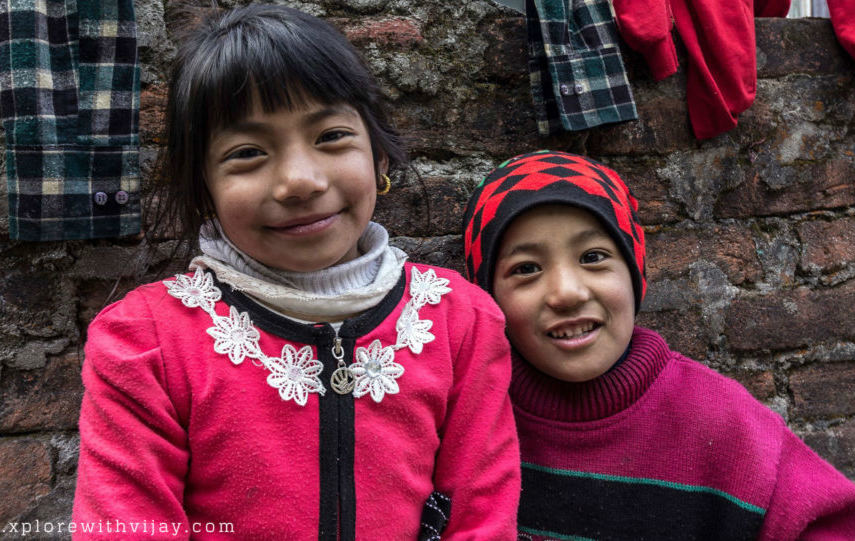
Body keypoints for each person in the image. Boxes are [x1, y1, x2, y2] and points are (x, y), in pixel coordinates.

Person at [72, 5, 520, 539]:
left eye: (330, 136)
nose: (299, 181)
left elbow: (481, 517)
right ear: (204, 187)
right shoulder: (145, 344)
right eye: (247, 152)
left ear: (379, 158)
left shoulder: (460, 320)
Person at [461, 150, 855, 540]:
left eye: (593, 257)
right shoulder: (470, 419)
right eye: (527, 268)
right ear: (488, 296)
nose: (567, 292)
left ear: (635, 274)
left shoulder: (724, 425)